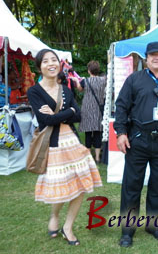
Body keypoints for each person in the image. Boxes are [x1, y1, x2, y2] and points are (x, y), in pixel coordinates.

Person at [27, 49, 102, 246]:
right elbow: (45, 120)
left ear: (59, 64)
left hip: (73, 144)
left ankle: (67, 227)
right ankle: (54, 215)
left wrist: (59, 114)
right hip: (52, 147)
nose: (51, 63)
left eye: (54, 60)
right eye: (45, 61)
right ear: (39, 67)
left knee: (80, 187)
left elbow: (78, 117)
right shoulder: (34, 91)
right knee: (60, 187)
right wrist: (67, 111)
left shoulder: (67, 90)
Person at [113, 41, 158, 247]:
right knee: (131, 187)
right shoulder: (134, 79)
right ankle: (127, 231)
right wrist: (121, 133)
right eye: (153, 55)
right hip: (138, 141)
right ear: (146, 58)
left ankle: (154, 226)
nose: (157, 58)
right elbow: (121, 107)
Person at [74, 61, 106, 163]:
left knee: (88, 133)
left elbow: (79, 89)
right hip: (98, 108)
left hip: (87, 109)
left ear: (89, 70)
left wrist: (76, 81)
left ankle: (88, 156)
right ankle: (97, 157)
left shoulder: (85, 81)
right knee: (97, 132)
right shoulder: (104, 80)